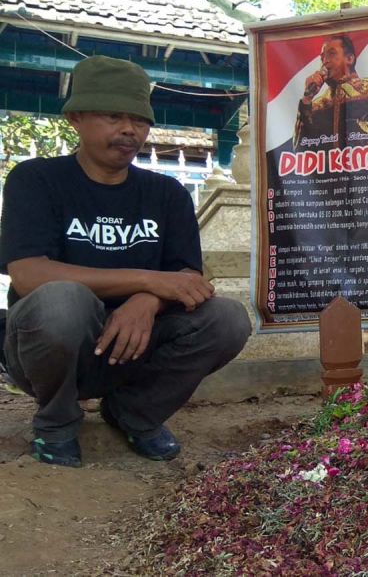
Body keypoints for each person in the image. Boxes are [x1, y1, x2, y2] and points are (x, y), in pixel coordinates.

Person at [0, 56, 252, 468]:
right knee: (63, 300)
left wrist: (146, 301)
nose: (129, 130)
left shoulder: (167, 194)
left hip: (133, 348)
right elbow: (28, 274)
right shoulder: (36, 179)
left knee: (227, 318)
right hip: (51, 350)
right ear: (76, 118)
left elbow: (188, 277)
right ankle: (56, 422)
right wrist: (149, 280)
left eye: (140, 119)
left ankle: (135, 414)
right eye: (113, 115)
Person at [294, 35, 368, 151]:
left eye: (331, 54)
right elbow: (299, 147)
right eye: (322, 58)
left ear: (349, 58)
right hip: (331, 167)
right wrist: (307, 99)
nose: (325, 61)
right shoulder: (317, 104)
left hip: (367, 165)